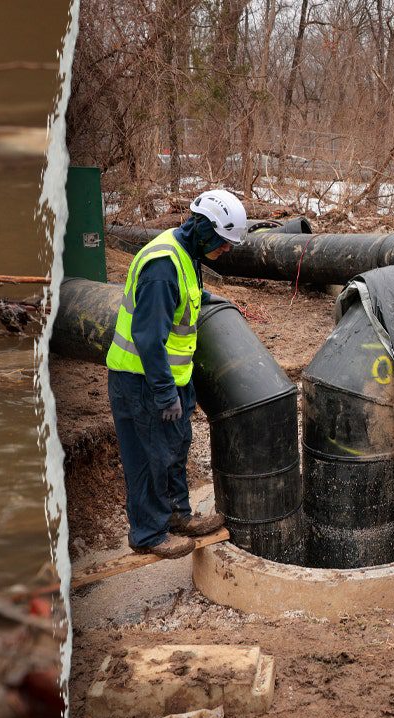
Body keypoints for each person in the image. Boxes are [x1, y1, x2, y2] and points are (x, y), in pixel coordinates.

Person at [105, 189, 247, 559]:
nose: (227, 250)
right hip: (143, 380)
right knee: (148, 457)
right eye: (225, 242)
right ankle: (149, 534)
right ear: (205, 229)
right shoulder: (163, 267)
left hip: (169, 378)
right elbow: (149, 338)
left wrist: (206, 299)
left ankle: (178, 516)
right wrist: (165, 393)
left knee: (174, 446)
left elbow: (181, 302)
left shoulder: (188, 253)